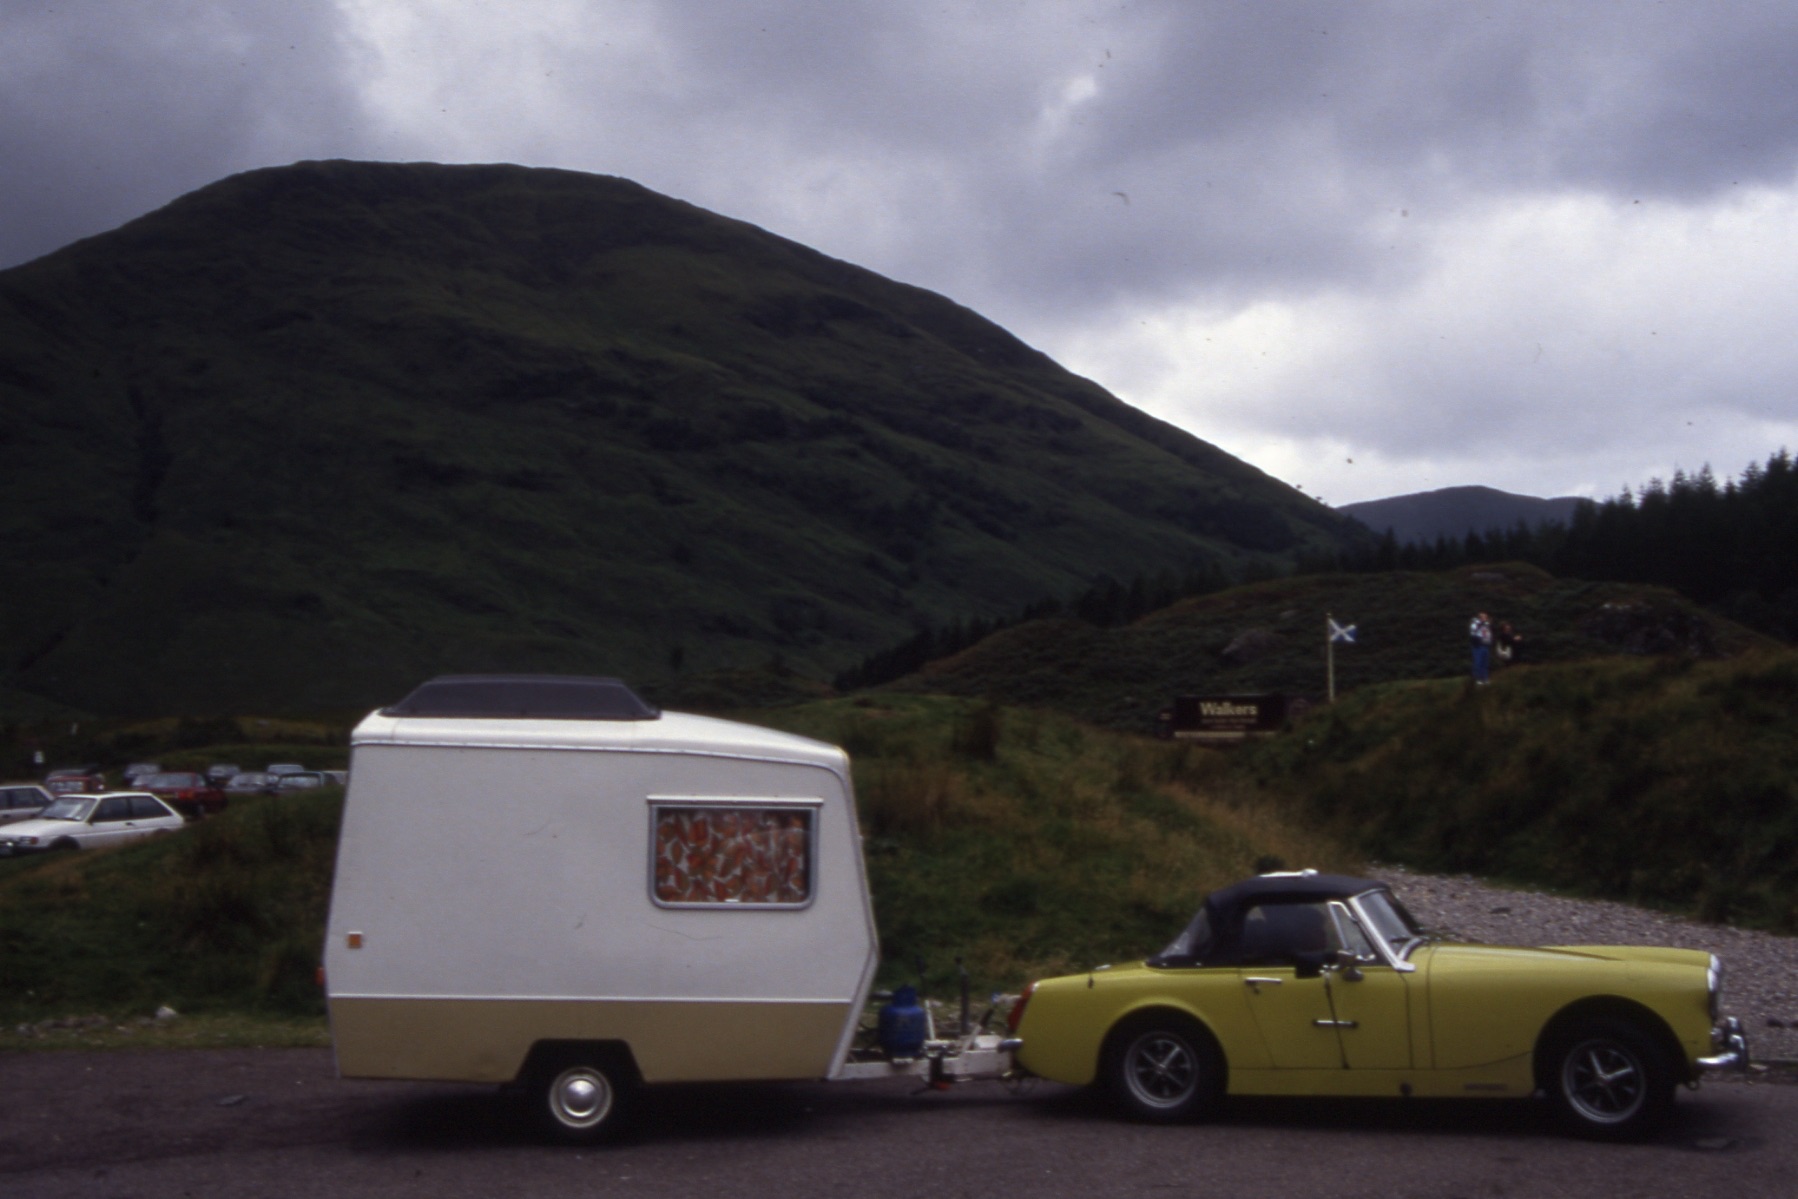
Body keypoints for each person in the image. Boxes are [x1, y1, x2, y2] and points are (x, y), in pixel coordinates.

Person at [1470, 612, 1493, 684]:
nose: (1485, 619)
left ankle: (1485, 678)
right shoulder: (1475, 624)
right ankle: (1478, 678)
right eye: (1483, 617)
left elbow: (1488, 634)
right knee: (1478, 662)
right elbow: (1473, 632)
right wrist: (1480, 624)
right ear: (1480, 618)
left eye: (1486, 617)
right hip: (1478, 645)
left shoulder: (1486, 625)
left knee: (1485, 663)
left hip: (1485, 645)